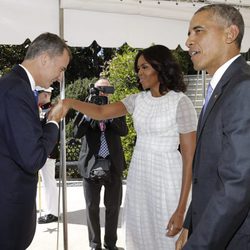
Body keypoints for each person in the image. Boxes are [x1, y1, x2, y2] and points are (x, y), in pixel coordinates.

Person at [62, 45, 197, 250]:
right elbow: (100, 111)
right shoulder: (136, 100)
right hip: (140, 176)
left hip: (168, 178)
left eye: (144, 67)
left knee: (167, 240)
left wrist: (181, 211)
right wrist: (69, 102)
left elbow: (190, 159)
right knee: (142, 235)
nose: (139, 73)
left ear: (160, 67)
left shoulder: (181, 102)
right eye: (138, 68)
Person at [175, 4, 250, 250]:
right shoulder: (221, 88)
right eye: (188, 33)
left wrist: (198, 244)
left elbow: (237, 185)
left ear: (230, 34)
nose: (188, 41)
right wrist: (190, 223)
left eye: (198, 31)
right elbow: (207, 173)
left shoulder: (243, 88)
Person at [0, 32, 71, 249]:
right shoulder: (16, 90)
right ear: (44, 59)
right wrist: (54, 122)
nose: (60, 77)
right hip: (8, 212)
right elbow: (32, 158)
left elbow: (17, 138)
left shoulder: (14, 85)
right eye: (61, 69)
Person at [73, 79, 128, 250]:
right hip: (90, 165)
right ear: (93, 90)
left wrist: (108, 115)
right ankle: (94, 245)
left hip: (113, 165)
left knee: (113, 207)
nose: (102, 93)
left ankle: (110, 244)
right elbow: (76, 132)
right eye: (99, 89)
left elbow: (124, 131)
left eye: (106, 90)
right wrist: (90, 113)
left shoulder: (117, 109)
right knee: (91, 207)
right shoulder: (85, 108)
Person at [36, 86, 60, 224]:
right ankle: (48, 208)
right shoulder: (39, 109)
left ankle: (52, 212)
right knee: (45, 182)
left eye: (38, 94)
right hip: (40, 151)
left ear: (45, 95)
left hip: (48, 151)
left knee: (48, 182)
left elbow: (51, 132)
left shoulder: (52, 110)